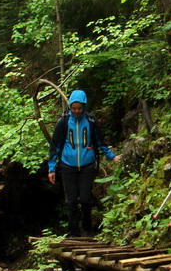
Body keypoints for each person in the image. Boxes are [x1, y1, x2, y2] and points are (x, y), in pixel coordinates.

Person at [48, 90, 120, 236]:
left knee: (86, 199)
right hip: (67, 165)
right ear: (70, 107)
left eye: (79, 108)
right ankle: (73, 232)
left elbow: (101, 142)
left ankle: (87, 229)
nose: (76, 111)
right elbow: (54, 147)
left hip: (87, 165)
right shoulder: (63, 122)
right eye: (74, 108)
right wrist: (51, 168)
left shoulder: (91, 121)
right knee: (71, 201)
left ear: (84, 106)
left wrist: (112, 157)